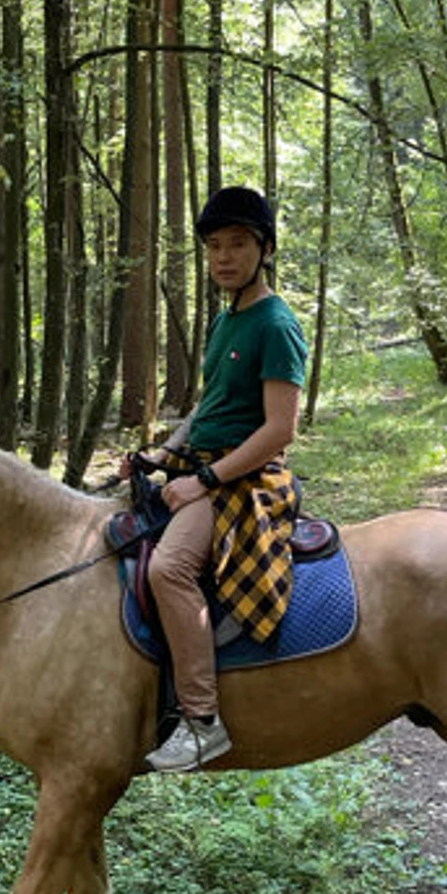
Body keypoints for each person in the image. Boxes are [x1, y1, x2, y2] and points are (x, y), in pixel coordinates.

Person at [139, 186, 309, 773]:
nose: (224, 258)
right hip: (204, 464)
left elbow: (279, 429)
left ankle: (202, 721)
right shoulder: (226, 317)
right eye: (214, 247)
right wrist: (169, 451)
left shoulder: (275, 324)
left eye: (237, 245)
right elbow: (211, 399)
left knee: (169, 568)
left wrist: (203, 480)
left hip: (246, 478)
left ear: (264, 249)